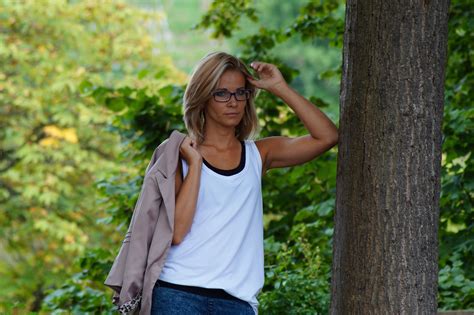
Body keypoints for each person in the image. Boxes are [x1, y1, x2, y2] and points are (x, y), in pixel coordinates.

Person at [151, 51, 338, 315]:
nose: (233, 102)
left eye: (241, 93)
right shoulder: (179, 155)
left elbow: (327, 137)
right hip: (177, 294)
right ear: (203, 97)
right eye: (222, 94)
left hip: (236, 301)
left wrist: (280, 88)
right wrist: (195, 164)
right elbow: (178, 232)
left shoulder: (258, 154)